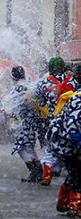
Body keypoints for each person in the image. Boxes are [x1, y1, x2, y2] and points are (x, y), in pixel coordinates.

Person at [35, 57, 77, 186]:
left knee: (51, 148)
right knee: (71, 147)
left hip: (54, 121)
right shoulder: (73, 82)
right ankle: (69, 176)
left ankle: (47, 176)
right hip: (71, 121)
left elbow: (40, 102)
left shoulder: (43, 83)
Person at [47, 64, 81, 217]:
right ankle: (75, 207)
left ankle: (64, 202)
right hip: (73, 145)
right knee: (78, 175)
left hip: (66, 144)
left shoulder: (74, 96)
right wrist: (78, 142)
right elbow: (73, 125)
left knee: (74, 174)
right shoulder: (78, 98)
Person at [5, 66, 42, 183]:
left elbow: (13, 107)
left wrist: (11, 117)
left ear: (13, 77)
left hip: (24, 121)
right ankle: (37, 171)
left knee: (21, 147)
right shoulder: (29, 85)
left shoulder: (17, 88)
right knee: (29, 145)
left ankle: (35, 170)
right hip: (33, 121)